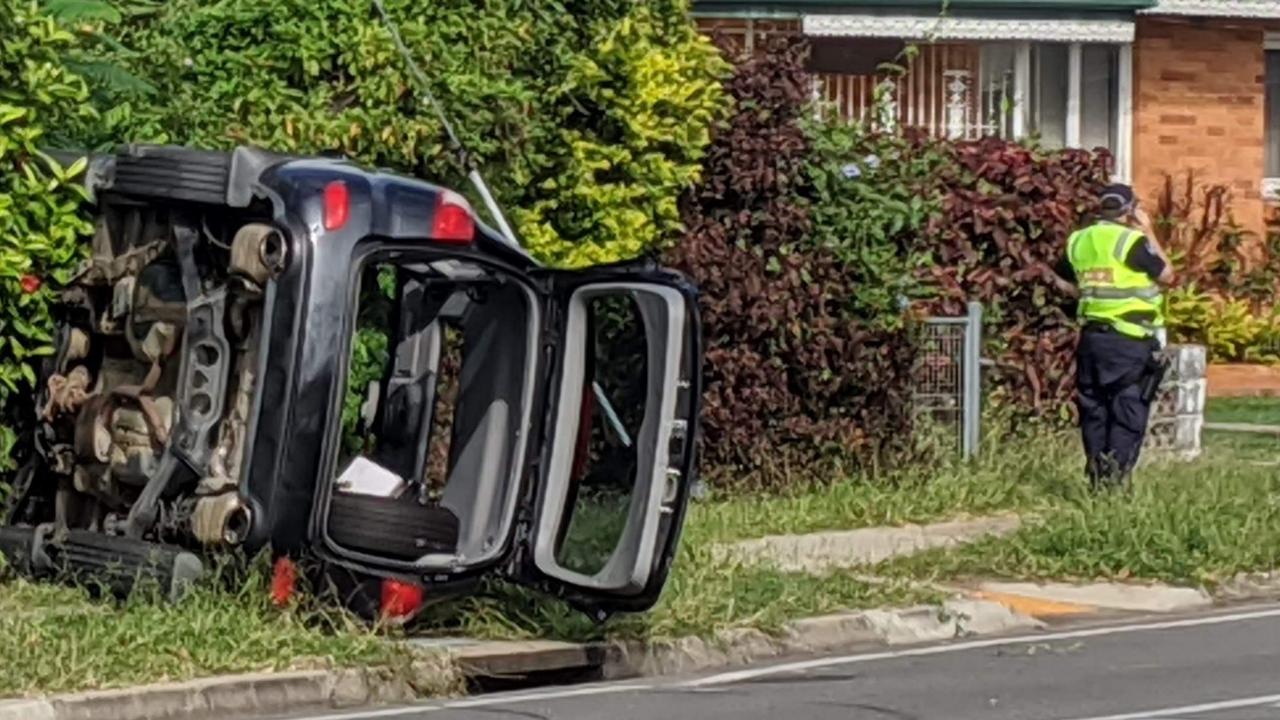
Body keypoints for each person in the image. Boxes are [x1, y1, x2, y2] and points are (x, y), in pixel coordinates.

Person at [1054, 184, 1175, 489]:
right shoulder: (1131, 241)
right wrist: (1148, 231)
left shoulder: (1078, 240)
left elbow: (1059, 278)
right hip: (1129, 340)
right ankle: (1115, 485)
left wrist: (1084, 294)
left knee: (1094, 410)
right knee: (1126, 411)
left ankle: (1096, 480)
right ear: (1129, 210)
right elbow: (1167, 276)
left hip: (1092, 339)